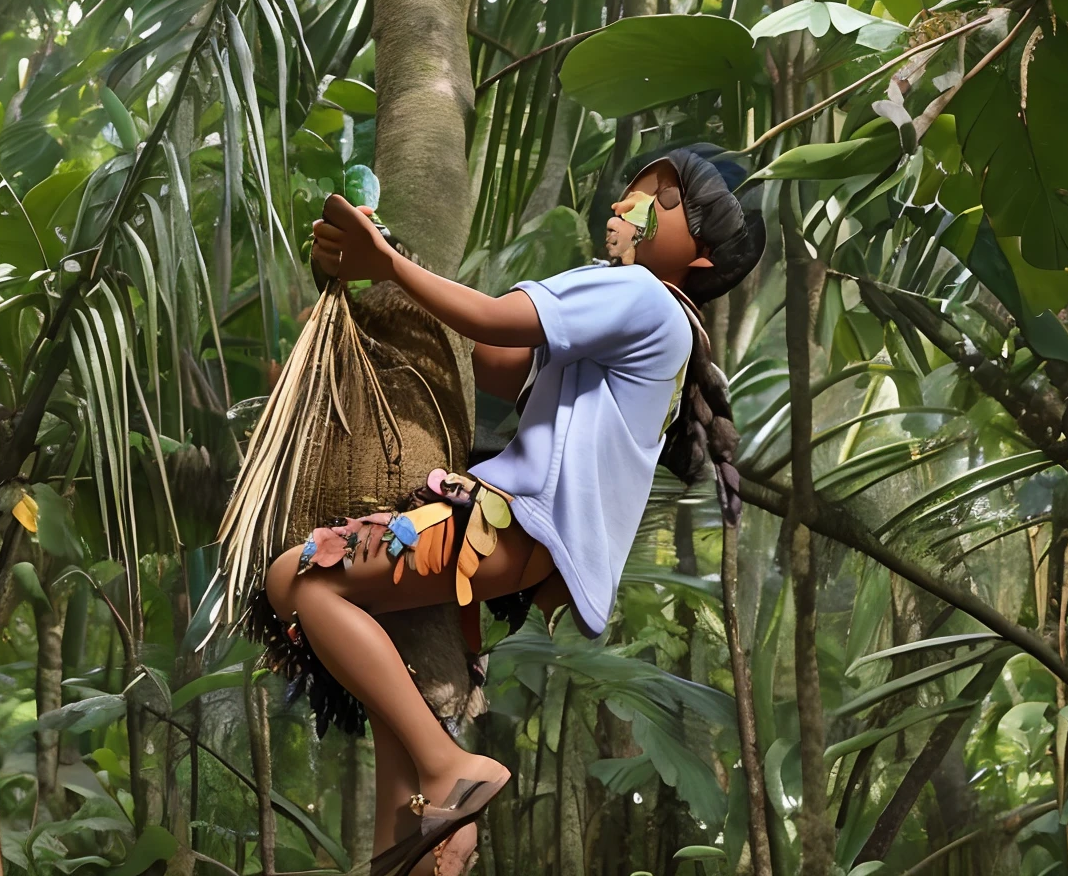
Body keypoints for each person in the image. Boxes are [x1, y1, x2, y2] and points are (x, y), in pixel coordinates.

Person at [261, 145, 765, 875]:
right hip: (529, 538)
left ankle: (449, 767)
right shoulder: (651, 316)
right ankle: (419, 832)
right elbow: (499, 362)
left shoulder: (643, 297)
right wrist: (397, 261)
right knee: (379, 658)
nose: (627, 205)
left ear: (702, 252)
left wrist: (390, 267)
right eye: (628, 191)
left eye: (661, 198)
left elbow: (497, 320)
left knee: (296, 579)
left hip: (513, 515)